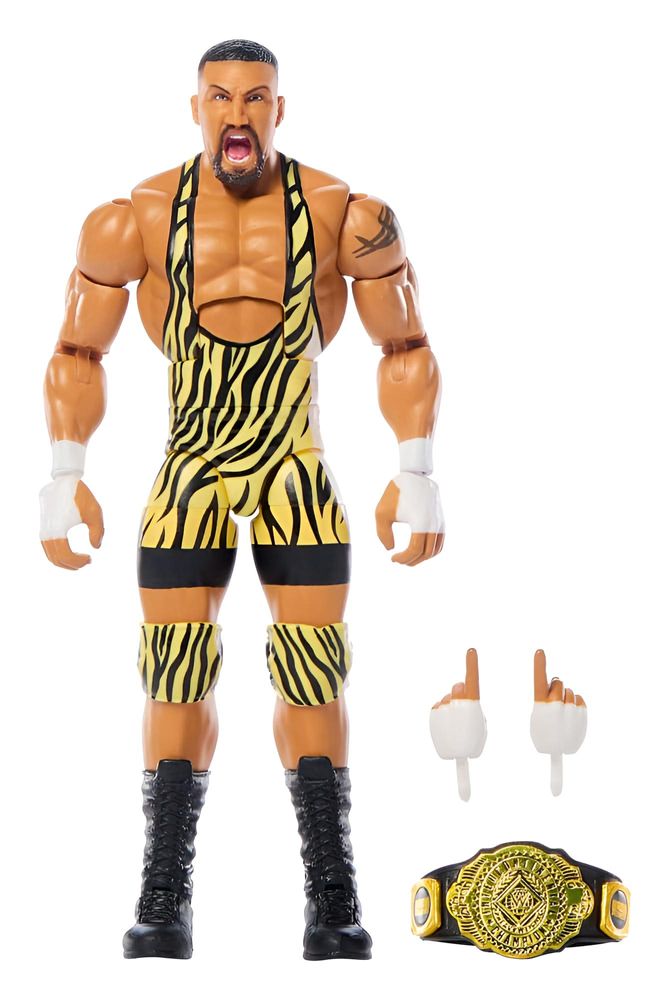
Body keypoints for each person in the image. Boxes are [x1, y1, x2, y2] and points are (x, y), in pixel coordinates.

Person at [40, 38, 444, 962]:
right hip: (191, 466)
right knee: (172, 670)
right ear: (196, 109)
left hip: (295, 463)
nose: (237, 113)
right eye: (219, 96)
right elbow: (78, 350)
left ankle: (332, 891)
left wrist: (415, 467)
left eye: (255, 98)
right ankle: (163, 889)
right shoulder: (136, 218)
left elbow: (405, 343)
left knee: (314, 670)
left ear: (278, 110)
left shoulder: (343, 212)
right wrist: (65, 472)